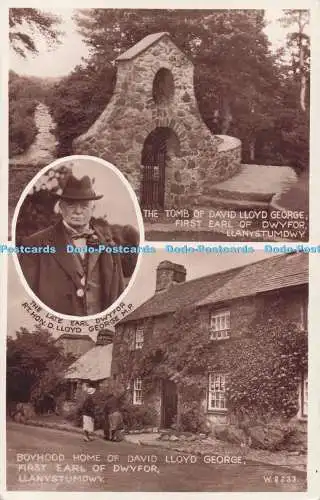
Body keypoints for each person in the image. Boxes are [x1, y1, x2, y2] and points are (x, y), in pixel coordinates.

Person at [18, 174, 127, 316]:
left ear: (92, 210)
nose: (78, 211)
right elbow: (26, 297)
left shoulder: (109, 246)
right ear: (61, 208)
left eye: (84, 206)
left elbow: (118, 295)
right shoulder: (35, 244)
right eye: (71, 205)